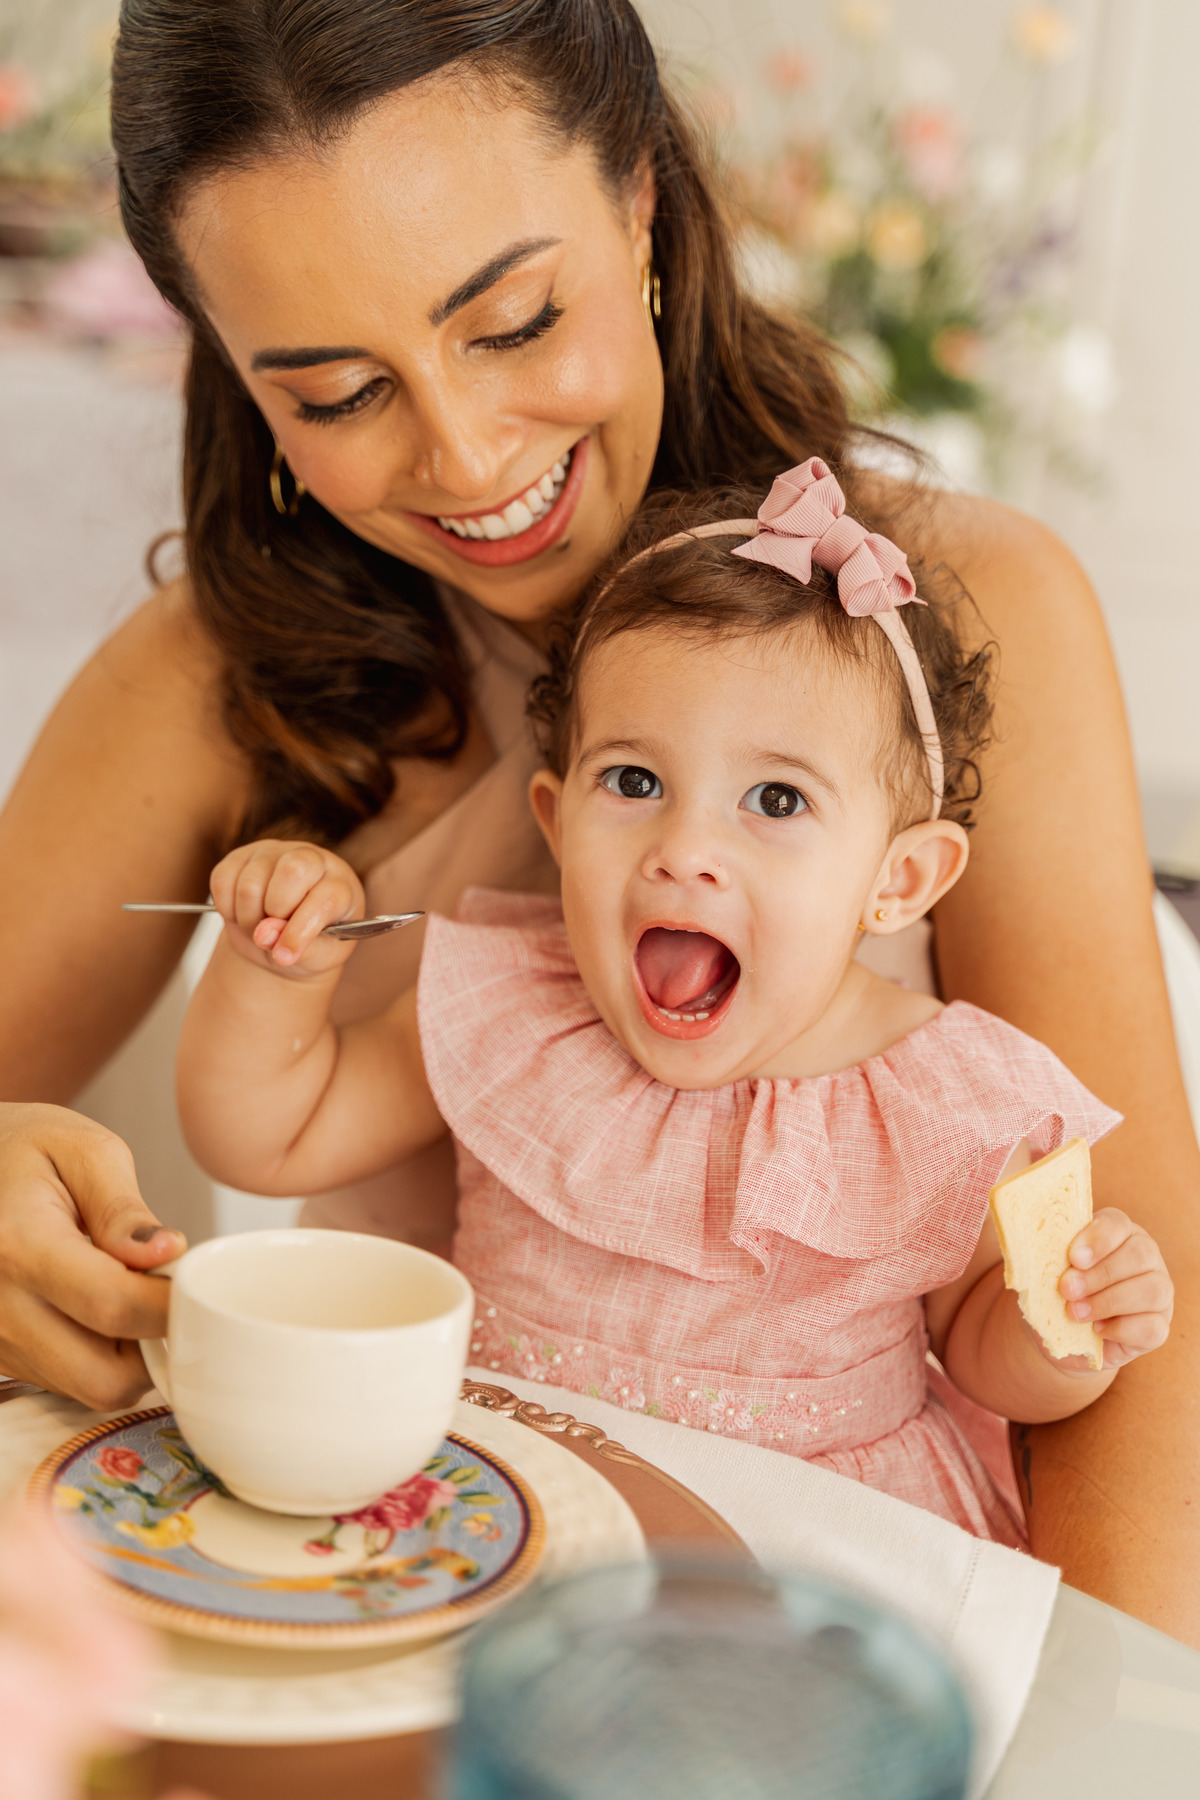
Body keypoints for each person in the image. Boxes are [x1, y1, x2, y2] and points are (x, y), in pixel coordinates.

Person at [0, 0, 1194, 1632]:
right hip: (433, 1605)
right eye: (338, 392)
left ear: (639, 202)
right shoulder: (212, 675)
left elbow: (1134, 1335)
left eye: (512, 321)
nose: (465, 453)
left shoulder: (958, 610)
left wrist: (1117, 1737)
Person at [174, 462, 1174, 1547]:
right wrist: (276, 974)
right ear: (556, 822)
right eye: (635, 783)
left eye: (776, 799)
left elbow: (981, 1350)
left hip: (809, 1557)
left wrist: (1066, 1330)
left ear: (898, 880)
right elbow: (270, 1132)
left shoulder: (940, 1101)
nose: (685, 849)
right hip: (514, 1518)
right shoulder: (515, 1012)